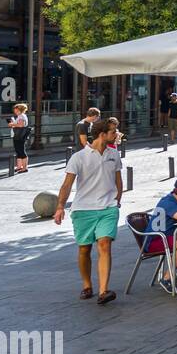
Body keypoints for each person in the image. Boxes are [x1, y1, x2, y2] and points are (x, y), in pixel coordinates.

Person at [54, 118, 124, 305]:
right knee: (84, 249)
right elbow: (67, 185)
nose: (116, 134)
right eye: (112, 132)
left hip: (108, 208)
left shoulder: (114, 155)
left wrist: (117, 200)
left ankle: (103, 290)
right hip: (83, 209)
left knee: (104, 245)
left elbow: (118, 179)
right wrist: (60, 207)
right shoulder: (78, 157)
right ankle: (87, 285)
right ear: (102, 135)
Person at [6, 103, 30, 173]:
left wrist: (12, 124)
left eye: (16, 110)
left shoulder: (21, 116)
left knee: (21, 151)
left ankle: (24, 167)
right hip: (18, 135)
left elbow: (21, 125)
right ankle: (19, 166)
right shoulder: (21, 116)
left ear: (19, 110)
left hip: (20, 135)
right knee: (18, 151)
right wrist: (14, 123)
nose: (15, 111)